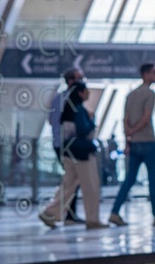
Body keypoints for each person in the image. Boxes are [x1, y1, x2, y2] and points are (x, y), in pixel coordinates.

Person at [39, 82, 106, 228]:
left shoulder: (67, 109)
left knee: (68, 185)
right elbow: (83, 131)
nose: (88, 93)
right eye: (86, 91)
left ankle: (50, 212)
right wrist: (91, 121)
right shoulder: (80, 110)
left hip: (68, 152)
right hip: (82, 154)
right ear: (80, 93)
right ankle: (93, 219)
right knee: (91, 186)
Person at [109, 62, 155, 226]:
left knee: (129, 179)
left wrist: (128, 139)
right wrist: (133, 131)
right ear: (146, 74)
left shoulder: (130, 95)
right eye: (154, 72)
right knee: (153, 179)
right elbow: (146, 118)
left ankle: (114, 212)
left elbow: (125, 120)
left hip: (134, 144)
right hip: (147, 141)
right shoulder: (150, 93)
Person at [48, 68, 84, 222]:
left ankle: (68, 213)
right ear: (70, 81)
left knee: (70, 179)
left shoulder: (57, 98)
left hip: (59, 143)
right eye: (79, 78)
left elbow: (51, 120)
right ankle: (61, 212)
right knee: (71, 180)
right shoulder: (71, 99)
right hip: (69, 145)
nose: (82, 81)